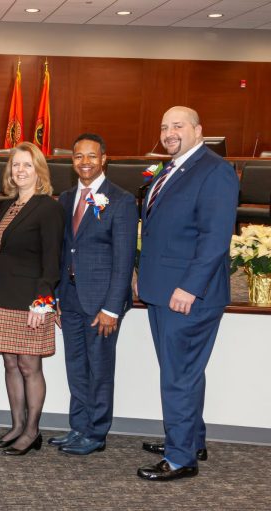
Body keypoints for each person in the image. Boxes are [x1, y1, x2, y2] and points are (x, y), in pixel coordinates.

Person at [136, 107, 238, 481]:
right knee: (183, 371)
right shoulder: (171, 167)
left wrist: (190, 287)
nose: (169, 132)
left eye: (178, 126)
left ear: (198, 129)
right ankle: (190, 438)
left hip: (188, 295)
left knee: (178, 375)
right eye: (164, 127)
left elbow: (215, 238)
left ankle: (180, 459)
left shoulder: (215, 171)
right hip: (162, 289)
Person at [50, 134, 137, 455]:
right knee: (76, 367)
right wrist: (57, 297)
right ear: (71, 161)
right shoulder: (66, 198)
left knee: (99, 369)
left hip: (102, 304)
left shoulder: (121, 200)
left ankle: (96, 433)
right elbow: (63, 251)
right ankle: (78, 427)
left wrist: (113, 308)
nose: (84, 162)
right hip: (70, 299)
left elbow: (124, 258)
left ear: (104, 159)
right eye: (78, 157)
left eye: (91, 156)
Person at [0, 142, 64, 456]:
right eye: (15, 165)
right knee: (10, 364)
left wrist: (43, 302)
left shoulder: (48, 208)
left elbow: (52, 260)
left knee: (30, 366)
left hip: (31, 301)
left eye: (27, 165)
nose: (20, 170)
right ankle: (16, 425)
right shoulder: (7, 206)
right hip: (4, 297)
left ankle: (32, 431)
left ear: (39, 170)